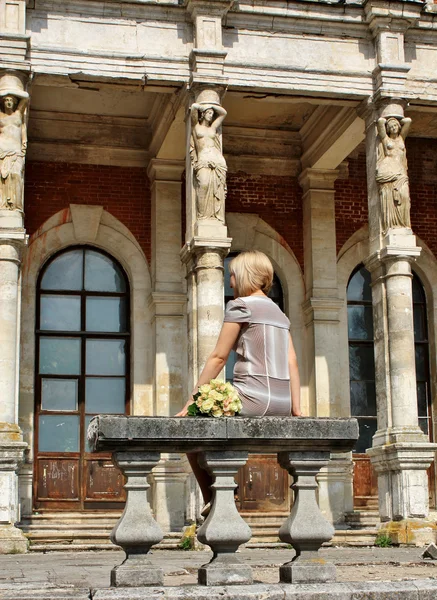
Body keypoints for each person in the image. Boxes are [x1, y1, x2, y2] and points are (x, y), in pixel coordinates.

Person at [176, 250, 302, 509]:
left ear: (245, 275)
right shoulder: (280, 314)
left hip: (253, 400)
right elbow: (292, 362)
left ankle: (213, 497)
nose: (230, 282)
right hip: (281, 403)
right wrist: (296, 410)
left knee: (188, 430)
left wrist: (191, 401)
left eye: (232, 275)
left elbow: (218, 358)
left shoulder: (240, 306)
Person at [190, 102, 227, 222]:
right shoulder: (196, 127)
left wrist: (212, 106)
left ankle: (214, 216)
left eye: (212, 113)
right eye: (209, 113)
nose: (211, 115)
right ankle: (202, 216)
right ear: (203, 114)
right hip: (203, 159)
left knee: (217, 188)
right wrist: (202, 106)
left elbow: (223, 113)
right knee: (203, 185)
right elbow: (194, 109)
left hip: (216, 160)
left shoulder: (213, 128)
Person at [376, 115, 412, 232]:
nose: (394, 128)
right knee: (391, 200)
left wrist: (397, 117)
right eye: (391, 127)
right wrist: (387, 117)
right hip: (390, 172)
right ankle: (393, 225)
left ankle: (403, 224)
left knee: (404, 197)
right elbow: (380, 122)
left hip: (401, 173)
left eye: (395, 126)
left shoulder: (401, 139)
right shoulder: (386, 140)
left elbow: (408, 121)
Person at [0, 93, 28, 211]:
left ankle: (15, 205)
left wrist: (7, 91)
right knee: (3, 179)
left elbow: (26, 97)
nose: (9, 102)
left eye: (11, 100)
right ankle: (5, 205)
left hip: (16, 152)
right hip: (3, 150)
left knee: (16, 176)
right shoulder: (0, 116)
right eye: (6, 100)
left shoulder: (18, 114)